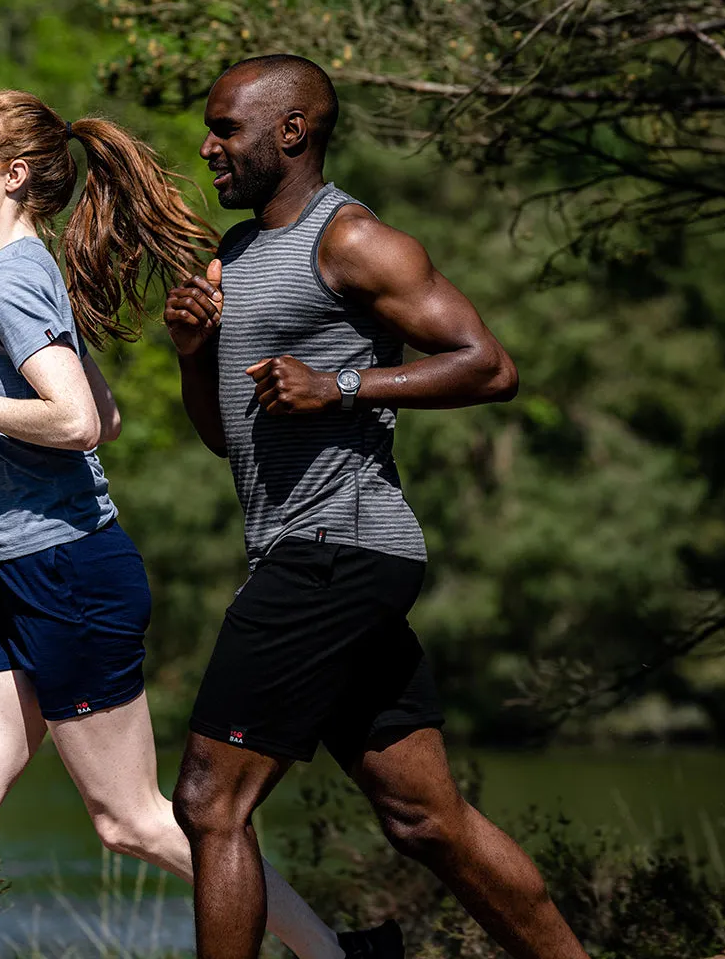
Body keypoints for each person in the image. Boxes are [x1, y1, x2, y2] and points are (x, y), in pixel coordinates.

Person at [0, 88, 385, 959]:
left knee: (131, 821)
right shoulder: (28, 267)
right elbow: (106, 418)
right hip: (23, 574)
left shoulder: (13, 277)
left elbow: (79, 422)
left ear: (11, 177)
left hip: (70, 574)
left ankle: (338, 953)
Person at [164, 55, 594, 959]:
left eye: (225, 129)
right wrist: (192, 353)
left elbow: (490, 364)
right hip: (317, 550)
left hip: (336, 546)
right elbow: (222, 437)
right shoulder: (235, 255)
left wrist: (343, 385)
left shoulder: (353, 240)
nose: (208, 148)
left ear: (292, 133)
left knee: (211, 800)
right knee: (423, 817)